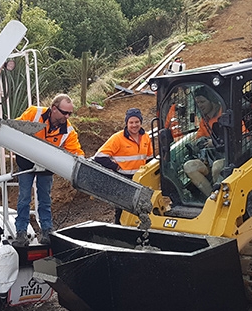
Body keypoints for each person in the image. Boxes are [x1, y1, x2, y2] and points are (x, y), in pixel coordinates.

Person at [13, 94, 84, 247]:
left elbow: (76, 151)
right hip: (26, 162)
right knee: (24, 197)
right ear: (53, 108)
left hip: (46, 166)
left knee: (44, 198)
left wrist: (82, 163)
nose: (67, 116)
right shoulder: (34, 113)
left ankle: (47, 231)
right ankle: (21, 232)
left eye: (69, 114)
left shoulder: (68, 131)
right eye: (64, 113)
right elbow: (15, 129)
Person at [93, 108, 153, 224]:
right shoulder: (118, 138)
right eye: (131, 122)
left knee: (140, 208)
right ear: (126, 123)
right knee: (121, 209)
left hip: (140, 178)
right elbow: (99, 157)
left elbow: (149, 158)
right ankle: (118, 229)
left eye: (137, 122)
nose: (134, 125)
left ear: (141, 122)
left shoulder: (145, 137)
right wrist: (116, 167)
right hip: (123, 179)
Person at [184, 87, 226, 196]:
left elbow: (243, 139)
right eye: (197, 103)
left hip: (228, 158)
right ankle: (211, 197)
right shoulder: (204, 120)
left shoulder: (226, 115)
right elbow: (199, 138)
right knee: (189, 166)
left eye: (202, 101)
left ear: (212, 100)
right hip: (210, 159)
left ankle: (221, 197)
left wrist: (216, 142)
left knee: (217, 166)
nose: (200, 105)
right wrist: (200, 144)